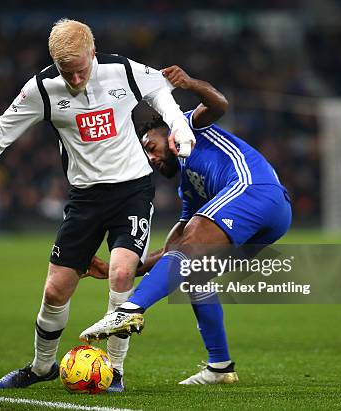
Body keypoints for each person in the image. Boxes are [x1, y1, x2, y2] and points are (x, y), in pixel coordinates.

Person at [0, 19, 196, 392]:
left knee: (122, 272)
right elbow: (1, 131)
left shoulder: (122, 70)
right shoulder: (42, 90)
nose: (75, 80)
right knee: (55, 291)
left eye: (80, 70)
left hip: (132, 190)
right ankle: (42, 366)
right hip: (84, 199)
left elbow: (159, 88)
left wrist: (180, 127)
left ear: (92, 53)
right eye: (67, 73)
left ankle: (114, 368)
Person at [80, 65, 292, 385]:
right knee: (195, 272)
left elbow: (219, 104)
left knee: (192, 248)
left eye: (150, 147)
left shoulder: (190, 126)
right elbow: (173, 251)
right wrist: (122, 268)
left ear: (166, 130)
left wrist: (190, 84)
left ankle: (129, 310)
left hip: (255, 189)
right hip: (270, 219)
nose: (151, 158)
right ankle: (220, 366)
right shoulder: (189, 189)